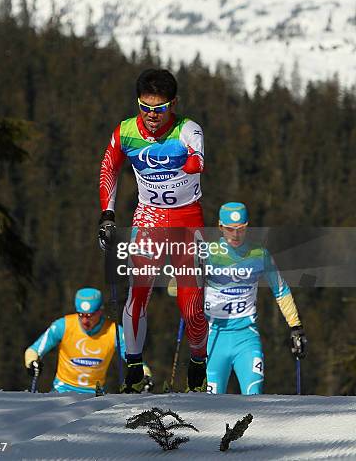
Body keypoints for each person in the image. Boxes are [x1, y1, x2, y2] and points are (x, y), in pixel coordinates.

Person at [99, 68, 208, 393]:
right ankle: (133, 370)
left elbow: (198, 162)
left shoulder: (188, 129)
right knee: (138, 291)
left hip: (187, 221)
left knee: (191, 306)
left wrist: (181, 160)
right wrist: (107, 214)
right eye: (144, 107)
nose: (151, 116)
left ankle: (198, 367)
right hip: (149, 218)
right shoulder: (125, 132)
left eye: (158, 109)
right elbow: (109, 167)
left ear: (173, 104)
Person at [204, 202, 306, 395]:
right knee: (210, 404)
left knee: (254, 397)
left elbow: (281, 290)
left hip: (246, 337)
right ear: (220, 226)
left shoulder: (259, 254)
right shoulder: (207, 254)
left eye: (241, 229)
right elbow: (175, 288)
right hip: (213, 338)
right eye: (230, 229)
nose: (235, 235)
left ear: (247, 226)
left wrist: (296, 326)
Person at [24, 288, 151, 394]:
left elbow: (135, 361)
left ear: (100, 311)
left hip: (94, 395)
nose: (85, 321)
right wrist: (32, 362)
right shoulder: (62, 326)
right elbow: (34, 350)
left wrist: (145, 376)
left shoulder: (114, 331)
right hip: (61, 391)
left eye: (90, 315)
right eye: (81, 315)